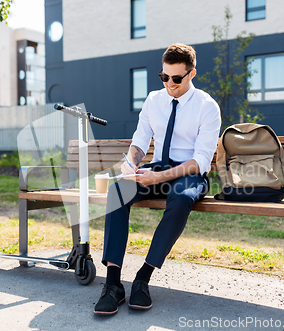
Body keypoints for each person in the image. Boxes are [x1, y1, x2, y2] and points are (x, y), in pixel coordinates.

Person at [94, 43, 221, 315]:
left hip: (187, 173)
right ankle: (114, 284)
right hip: (157, 169)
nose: (170, 84)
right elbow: (140, 140)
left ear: (192, 74)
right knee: (118, 191)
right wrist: (131, 163)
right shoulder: (154, 100)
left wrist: (159, 177)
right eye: (165, 77)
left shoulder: (207, 107)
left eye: (176, 78)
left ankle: (143, 277)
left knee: (182, 199)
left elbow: (200, 160)